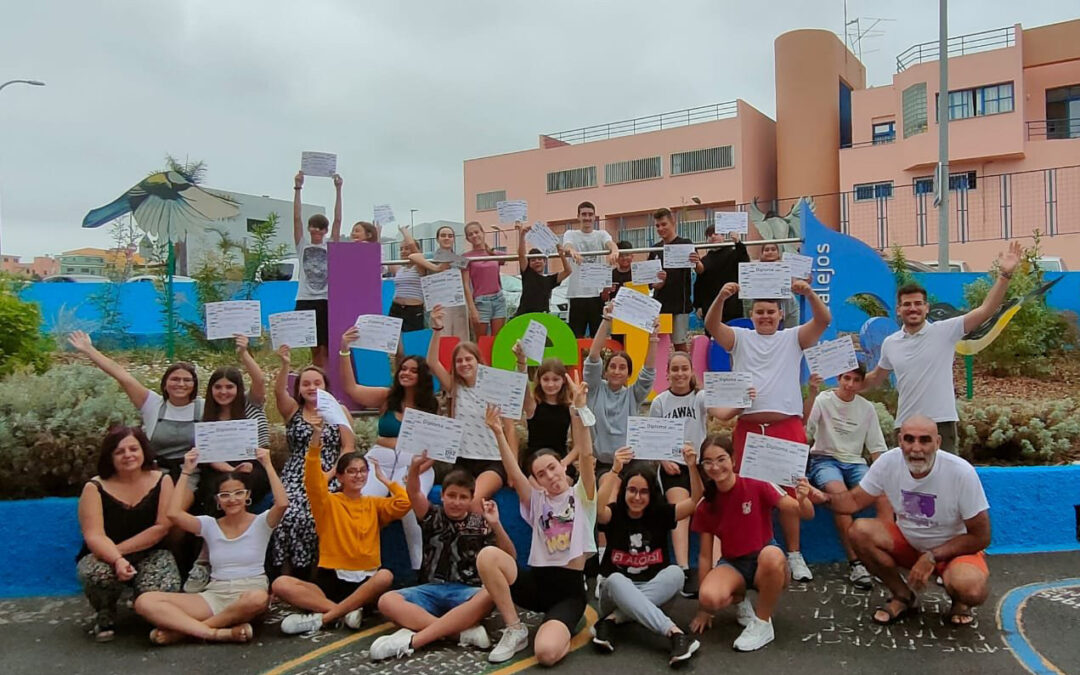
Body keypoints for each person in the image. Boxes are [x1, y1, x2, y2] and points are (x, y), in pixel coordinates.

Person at [704, 278, 831, 582]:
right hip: (748, 429)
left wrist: (809, 293)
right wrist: (721, 295)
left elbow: (824, 320)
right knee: (746, 493)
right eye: (759, 312)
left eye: (770, 312)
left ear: (780, 315)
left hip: (786, 426)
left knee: (790, 491)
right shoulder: (740, 338)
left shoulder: (793, 338)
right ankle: (756, 550)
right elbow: (711, 324)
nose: (765, 316)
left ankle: (795, 554)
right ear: (752, 315)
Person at [814, 415, 991, 627]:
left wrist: (933, 556)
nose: (916, 448)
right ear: (900, 441)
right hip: (910, 543)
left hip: (952, 551)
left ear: (938, 442)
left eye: (925, 440)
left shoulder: (961, 472)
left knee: (971, 590)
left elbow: (981, 536)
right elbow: (853, 501)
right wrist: (821, 498)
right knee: (859, 531)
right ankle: (903, 596)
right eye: (909, 439)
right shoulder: (888, 462)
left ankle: (960, 602)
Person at [476, 372, 597, 666]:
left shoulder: (583, 495)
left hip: (567, 593)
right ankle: (515, 629)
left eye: (553, 468)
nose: (550, 476)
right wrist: (498, 432)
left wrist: (579, 410)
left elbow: (585, 454)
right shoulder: (537, 500)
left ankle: (567, 628)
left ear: (563, 467)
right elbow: (513, 472)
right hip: (536, 583)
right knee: (488, 556)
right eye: (541, 473)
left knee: (545, 653)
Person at [863, 242, 1022, 453]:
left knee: (945, 483)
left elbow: (986, 310)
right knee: (908, 484)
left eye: (918, 303)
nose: (913, 308)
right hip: (906, 425)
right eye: (907, 305)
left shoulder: (946, 331)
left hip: (941, 423)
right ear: (899, 310)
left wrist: (1005, 276)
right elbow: (875, 379)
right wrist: (842, 386)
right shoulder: (890, 343)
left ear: (926, 308)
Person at [133, 446, 288, 645]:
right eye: (225, 495)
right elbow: (173, 513)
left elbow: (282, 503)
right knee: (145, 601)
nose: (232, 499)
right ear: (218, 501)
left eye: (238, 493)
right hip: (214, 595)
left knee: (258, 598)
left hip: (248, 595)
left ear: (247, 495)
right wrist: (187, 471)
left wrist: (267, 464)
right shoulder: (209, 524)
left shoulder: (261, 522)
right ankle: (217, 633)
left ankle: (184, 632)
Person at [369, 454, 517, 660]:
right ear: (442, 496)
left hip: (466, 593)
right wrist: (413, 468)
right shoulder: (432, 516)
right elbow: (413, 492)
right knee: (387, 600)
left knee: (491, 594)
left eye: (463, 497)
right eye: (452, 496)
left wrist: (496, 524)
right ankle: (458, 633)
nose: (456, 502)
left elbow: (510, 556)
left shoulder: (479, 523)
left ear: (471, 499)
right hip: (429, 591)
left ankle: (423, 634)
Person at [272, 430, 410, 634]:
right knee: (281, 583)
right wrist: (316, 442)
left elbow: (404, 503)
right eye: (352, 471)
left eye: (363, 471)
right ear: (340, 476)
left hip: (365, 582)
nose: (359, 476)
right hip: (332, 578)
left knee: (385, 576)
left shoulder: (374, 503)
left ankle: (324, 618)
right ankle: (343, 612)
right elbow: (312, 481)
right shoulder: (328, 503)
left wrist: (387, 481)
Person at [689, 437, 817, 651]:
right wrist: (704, 610)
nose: (715, 467)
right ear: (702, 466)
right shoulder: (707, 503)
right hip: (733, 564)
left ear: (734, 459)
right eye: (708, 462)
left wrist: (804, 498)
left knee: (771, 555)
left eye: (721, 459)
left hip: (764, 561)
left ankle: (762, 623)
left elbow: (805, 514)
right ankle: (740, 599)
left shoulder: (757, 482)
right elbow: (704, 555)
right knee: (709, 597)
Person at [592, 445, 703, 666]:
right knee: (615, 579)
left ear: (652, 494)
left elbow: (694, 502)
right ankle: (674, 633)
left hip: (652, 588)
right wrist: (614, 471)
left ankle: (612, 622)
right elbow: (596, 509)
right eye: (631, 490)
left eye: (643, 492)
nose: (637, 497)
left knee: (676, 574)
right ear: (624, 491)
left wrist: (692, 466)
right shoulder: (614, 513)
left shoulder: (659, 513)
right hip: (613, 594)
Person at [338, 329, 439, 572]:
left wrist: (416, 471)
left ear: (422, 376)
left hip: (415, 465)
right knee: (363, 504)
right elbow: (351, 388)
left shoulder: (430, 405)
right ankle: (360, 568)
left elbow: (437, 447)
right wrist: (344, 350)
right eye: (403, 369)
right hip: (378, 462)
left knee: (408, 506)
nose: (406, 373)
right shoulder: (387, 397)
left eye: (413, 370)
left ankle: (420, 569)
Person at [68, 331, 204, 509]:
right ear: (165, 383)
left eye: (187, 380)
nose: (181, 384)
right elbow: (122, 375)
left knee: (175, 512)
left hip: (190, 474)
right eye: (175, 379)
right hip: (155, 472)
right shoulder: (152, 404)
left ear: (194, 385)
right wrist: (88, 349)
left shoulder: (203, 408)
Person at [647, 352, 746, 597]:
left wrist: (743, 401)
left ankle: (717, 566)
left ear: (692, 372)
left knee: (715, 506)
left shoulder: (699, 397)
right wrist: (664, 459)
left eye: (684, 369)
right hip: (674, 465)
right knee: (680, 508)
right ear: (667, 373)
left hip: (701, 464)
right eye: (675, 369)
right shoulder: (660, 401)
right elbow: (652, 438)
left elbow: (721, 414)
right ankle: (683, 569)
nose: (680, 374)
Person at [76, 426, 180, 642]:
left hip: (151, 552)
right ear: (110, 457)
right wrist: (115, 560)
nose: (128, 455)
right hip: (104, 555)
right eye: (119, 451)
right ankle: (105, 613)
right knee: (95, 574)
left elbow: (161, 527)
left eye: (134, 449)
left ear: (143, 451)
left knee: (164, 586)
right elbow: (94, 535)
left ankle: (147, 609)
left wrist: (120, 554)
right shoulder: (94, 487)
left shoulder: (163, 480)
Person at [185, 335, 272, 592]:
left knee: (245, 481)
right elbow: (208, 455)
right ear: (211, 390)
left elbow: (259, 381)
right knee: (215, 490)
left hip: (252, 465)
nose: (224, 392)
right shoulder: (207, 416)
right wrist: (227, 468)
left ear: (238, 389)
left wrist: (244, 353)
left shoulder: (251, 405)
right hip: (218, 468)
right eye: (218, 387)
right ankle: (204, 560)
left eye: (229, 387)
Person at [269, 346, 355, 579]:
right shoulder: (292, 410)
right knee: (290, 515)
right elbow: (278, 393)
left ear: (325, 386)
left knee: (319, 517)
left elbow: (348, 446)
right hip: (297, 472)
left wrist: (330, 474)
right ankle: (285, 576)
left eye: (317, 383)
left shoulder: (340, 411)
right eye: (306, 384)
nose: (312, 388)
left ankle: (317, 577)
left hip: (331, 469)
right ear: (298, 388)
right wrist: (285, 365)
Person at [803, 368, 889, 589]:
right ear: (838, 378)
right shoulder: (824, 400)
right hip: (825, 459)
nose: (850, 384)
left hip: (855, 462)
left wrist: (885, 481)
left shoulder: (866, 408)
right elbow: (806, 431)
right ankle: (856, 562)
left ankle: (884, 556)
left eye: (856, 380)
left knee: (881, 497)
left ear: (861, 383)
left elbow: (877, 448)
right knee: (840, 497)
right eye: (846, 378)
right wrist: (812, 394)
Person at [427, 305, 505, 510]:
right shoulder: (455, 387)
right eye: (459, 360)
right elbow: (432, 362)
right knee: (456, 502)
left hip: (493, 461)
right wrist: (437, 329)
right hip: (462, 460)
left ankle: (489, 540)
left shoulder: (495, 386)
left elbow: (511, 427)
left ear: (478, 361)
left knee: (473, 500)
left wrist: (512, 466)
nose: (464, 364)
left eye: (468, 359)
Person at [585, 301, 658, 484]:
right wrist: (607, 321)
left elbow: (648, 372)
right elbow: (593, 357)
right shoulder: (594, 389)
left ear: (628, 374)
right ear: (605, 370)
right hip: (605, 464)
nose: (617, 371)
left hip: (632, 462)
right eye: (613, 367)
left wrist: (653, 337)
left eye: (622, 368)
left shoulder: (633, 395)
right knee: (611, 491)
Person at [292, 171, 343, 368]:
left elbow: (338, 220)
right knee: (313, 347)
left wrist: (338, 189)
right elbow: (296, 218)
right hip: (305, 299)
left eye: (320, 228)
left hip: (326, 300)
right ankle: (316, 380)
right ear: (309, 229)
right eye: (313, 227)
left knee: (327, 347)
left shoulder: (331, 245)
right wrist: (298, 187)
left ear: (325, 231)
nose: (316, 231)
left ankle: (328, 383)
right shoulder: (302, 245)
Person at [563, 201, 620, 338]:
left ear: (594, 217)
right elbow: (567, 246)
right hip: (577, 294)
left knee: (598, 336)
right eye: (584, 214)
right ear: (578, 216)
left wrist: (614, 251)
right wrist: (572, 251)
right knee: (576, 337)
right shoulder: (571, 233)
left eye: (590, 214)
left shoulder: (601, 234)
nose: (587, 217)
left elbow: (610, 243)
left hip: (596, 294)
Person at [648, 208, 696, 353]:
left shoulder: (685, 243)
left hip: (680, 306)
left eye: (664, 224)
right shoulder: (655, 249)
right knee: (658, 346)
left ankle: (686, 374)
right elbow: (650, 281)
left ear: (673, 222)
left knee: (680, 345)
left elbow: (699, 268)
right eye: (657, 226)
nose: (660, 228)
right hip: (660, 306)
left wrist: (697, 262)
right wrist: (657, 284)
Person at [522, 356, 575, 471]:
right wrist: (522, 362)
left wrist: (564, 463)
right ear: (539, 380)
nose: (550, 384)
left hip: (560, 458)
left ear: (563, 380)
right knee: (541, 485)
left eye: (555, 379)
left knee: (562, 483)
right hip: (534, 460)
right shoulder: (533, 405)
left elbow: (578, 447)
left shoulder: (570, 407)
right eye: (546, 379)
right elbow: (523, 385)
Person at [693, 225, 747, 329]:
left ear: (723, 236)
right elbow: (699, 284)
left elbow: (744, 262)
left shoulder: (733, 253)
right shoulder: (704, 260)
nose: (713, 236)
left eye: (716, 233)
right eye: (709, 235)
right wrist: (698, 306)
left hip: (732, 305)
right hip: (710, 305)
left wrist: (738, 242)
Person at [514, 222, 571, 316]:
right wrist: (522, 234)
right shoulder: (527, 273)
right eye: (533, 260)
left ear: (545, 262)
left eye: (540, 259)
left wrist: (562, 255)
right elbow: (521, 255)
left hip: (543, 316)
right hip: (524, 315)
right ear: (529, 263)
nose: (537, 261)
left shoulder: (550, 280)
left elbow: (568, 271)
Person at [463, 221, 507, 337]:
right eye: (470, 234)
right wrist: (472, 309)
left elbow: (518, 256)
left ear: (483, 233)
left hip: (498, 299)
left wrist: (518, 231)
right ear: (467, 238)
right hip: (481, 302)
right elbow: (466, 285)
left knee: (497, 340)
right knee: (481, 341)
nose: (474, 236)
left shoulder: (494, 254)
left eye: (476, 232)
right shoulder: (465, 257)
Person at [745, 243, 800, 329]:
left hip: (788, 305)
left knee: (790, 333)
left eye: (773, 249)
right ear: (762, 253)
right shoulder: (753, 267)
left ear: (778, 253)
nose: (770, 252)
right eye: (766, 250)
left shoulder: (787, 266)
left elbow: (796, 287)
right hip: (762, 307)